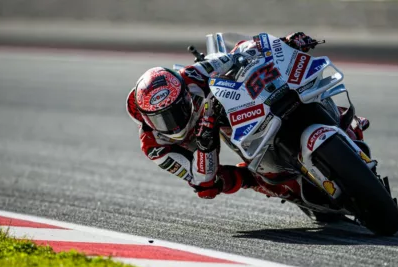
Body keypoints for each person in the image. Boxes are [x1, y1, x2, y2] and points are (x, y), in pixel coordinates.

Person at [126, 32, 370, 200]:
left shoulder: (192, 76)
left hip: (226, 112)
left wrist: (285, 43)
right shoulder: (154, 146)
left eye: (176, 111)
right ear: (146, 118)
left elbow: (238, 54)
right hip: (204, 151)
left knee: (288, 84)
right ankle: (261, 179)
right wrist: (204, 142)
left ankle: (337, 117)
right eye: (161, 118)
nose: (173, 122)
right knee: (209, 188)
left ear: (185, 96)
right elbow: (201, 178)